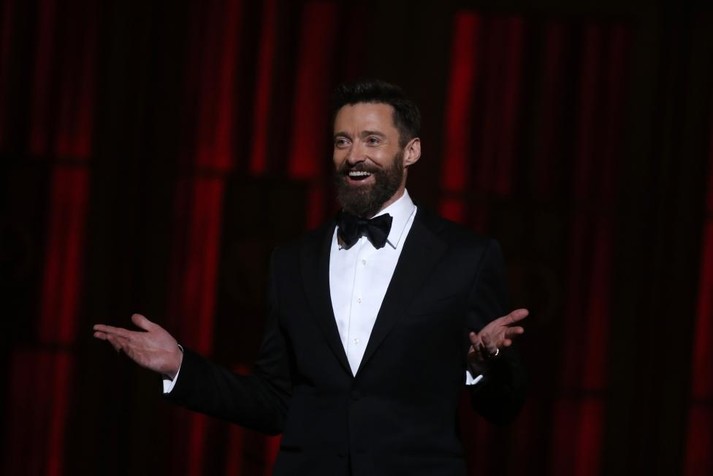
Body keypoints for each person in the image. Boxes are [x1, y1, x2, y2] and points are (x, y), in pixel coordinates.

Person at [94, 79, 528, 476]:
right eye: (343, 141)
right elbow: (273, 401)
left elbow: (504, 407)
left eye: (372, 140)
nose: (354, 155)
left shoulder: (466, 257)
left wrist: (483, 366)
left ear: (410, 151)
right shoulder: (292, 261)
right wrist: (181, 367)